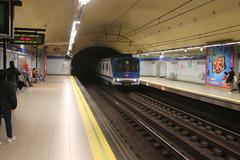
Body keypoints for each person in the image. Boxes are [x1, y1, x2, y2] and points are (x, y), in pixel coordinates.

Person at [0, 70, 17, 144]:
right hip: (6, 107)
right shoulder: (9, 85)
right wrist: (14, 106)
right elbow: (13, 97)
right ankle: (9, 137)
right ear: (6, 76)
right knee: (8, 122)